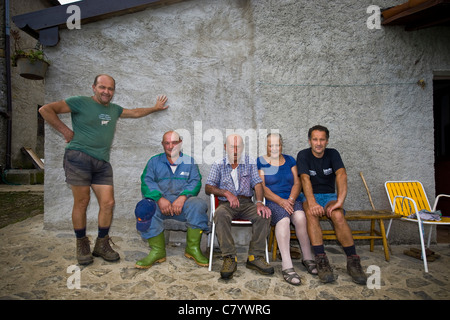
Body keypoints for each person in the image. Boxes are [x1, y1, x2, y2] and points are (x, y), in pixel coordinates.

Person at [38, 74, 169, 265]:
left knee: (108, 203)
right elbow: (46, 110)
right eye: (102, 87)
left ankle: (101, 244)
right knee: (82, 202)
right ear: (94, 87)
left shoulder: (114, 110)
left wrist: (155, 108)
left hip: (102, 163)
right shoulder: (79, 102)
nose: (106, 91)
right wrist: (65, 131)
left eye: (110, 89)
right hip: (78, 158)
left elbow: (134, 112)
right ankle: (82, 243)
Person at [296, 125, 367, 284]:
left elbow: (341, 174)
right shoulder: (303, 155)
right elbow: (304, 179)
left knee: (338, 215)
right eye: (315, 139)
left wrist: (340, 201)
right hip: (309, 195)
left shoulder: (333, 153)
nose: (318, 143)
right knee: (311, 213)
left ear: (327, 141)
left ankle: (353, 261)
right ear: (310, 141)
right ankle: (321, 260)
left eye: (322, 139)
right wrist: (312, 202)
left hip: (329, 196)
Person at [136, 131, 209, 269]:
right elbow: (147, 182)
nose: (170, 146)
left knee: (198, 205)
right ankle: (158, 251)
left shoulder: (189, 162)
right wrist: (159, 199)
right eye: (167, 143)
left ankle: (192, 249)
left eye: (174, 142)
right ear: (163, 144)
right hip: (161, 205)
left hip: (183, 206)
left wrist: (182, 197)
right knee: (144, 208)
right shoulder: (154, 161)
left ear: (180, 143)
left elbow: (195, 181)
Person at [205, 134, 274, 279]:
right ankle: (229, 257)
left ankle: (255, 257)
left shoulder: (249, 161)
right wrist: (226, 193)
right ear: (225, 147)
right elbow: (208, 187)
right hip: (227, 204)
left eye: (238, 147)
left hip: (246, 203)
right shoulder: (218, 163)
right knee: (220, 214)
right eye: (231, 146)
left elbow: (257, 183)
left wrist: (260, 203)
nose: (235, 150)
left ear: (242, 148)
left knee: (264, 214)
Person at [257, 133, 317, 286]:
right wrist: (280, 201)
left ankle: (307, 257)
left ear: (282, 146)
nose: (274, 148)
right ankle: (287, 265)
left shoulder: (290, 160)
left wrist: (290, 199)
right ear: (267, 146)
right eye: (271, 145)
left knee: (300, 217)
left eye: (277, 145)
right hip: (273, 201)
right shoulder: (261, 161)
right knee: (283, 221)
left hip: (292, 199)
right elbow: (262, 187)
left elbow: (297, 183)